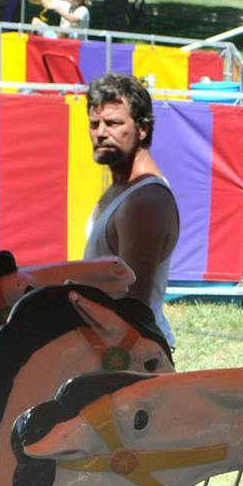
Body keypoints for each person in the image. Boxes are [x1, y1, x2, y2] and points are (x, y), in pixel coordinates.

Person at [83, 74, 179, 354]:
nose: (100, 133)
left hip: (128, 357)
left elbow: (133, 307)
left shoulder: (144, 201)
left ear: (143, 129)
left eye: (113, 123)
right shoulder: (122, 188)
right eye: (94, 123)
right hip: (107, 346)